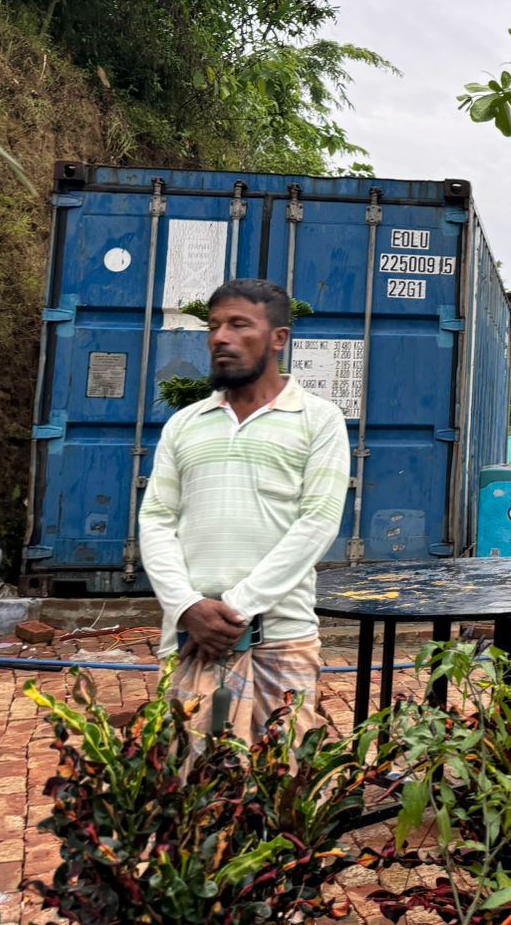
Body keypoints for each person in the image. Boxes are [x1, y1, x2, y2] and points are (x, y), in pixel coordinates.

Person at [139, 278, 350, 739]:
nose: (220, 337)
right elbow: (156, 520)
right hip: (189, 639)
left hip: (281, 640)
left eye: (239, 325)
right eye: (213, 326)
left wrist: (234, 609)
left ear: (279, 338)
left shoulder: (319, 420)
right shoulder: (184, 424)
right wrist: (187, 606)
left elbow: (317, 523)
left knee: (280, 785)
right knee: (186, 785)